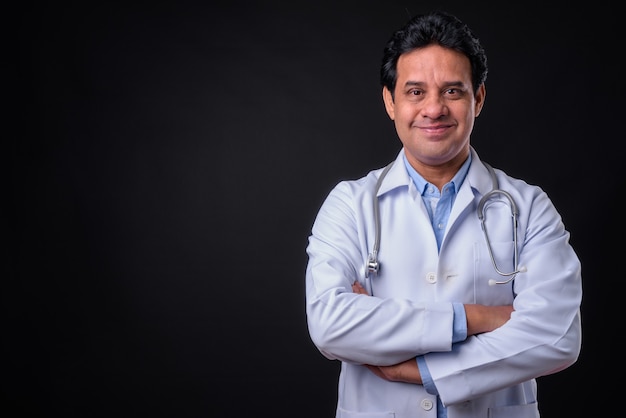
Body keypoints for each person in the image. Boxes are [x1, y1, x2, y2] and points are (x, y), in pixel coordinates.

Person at [304, 10, 582, 418]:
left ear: (478, 99)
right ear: (390, 101)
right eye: (415, 92)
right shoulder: (349, 204)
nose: (433, 109)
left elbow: (557, 335)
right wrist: (479, 318)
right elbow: (331, 324)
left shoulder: (529, 206)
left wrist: (422, 371)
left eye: (453, 91)